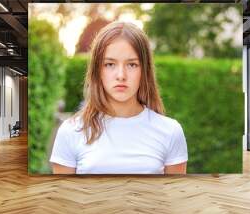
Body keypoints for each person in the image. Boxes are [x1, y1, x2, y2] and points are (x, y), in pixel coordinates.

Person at [50, 21, 188, 174]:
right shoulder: (71, 131)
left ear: (144, 71)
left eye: (132, 65)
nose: (121, 75)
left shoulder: (170, 131)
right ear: (97, 71)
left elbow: (173, 196)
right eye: (110, 64)